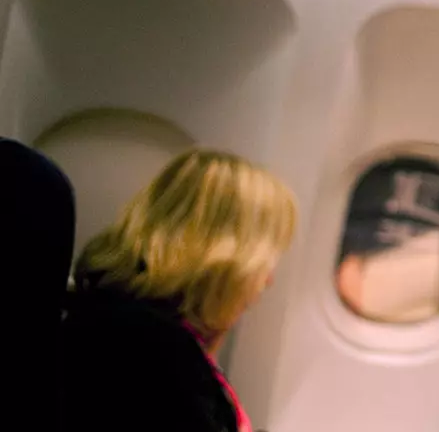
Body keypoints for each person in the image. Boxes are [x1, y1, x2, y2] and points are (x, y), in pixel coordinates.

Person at [60, 147, 298, 432]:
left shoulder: (137, 327)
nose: (268, 280)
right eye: (263, 263)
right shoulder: (148, 352)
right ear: (228, 259)